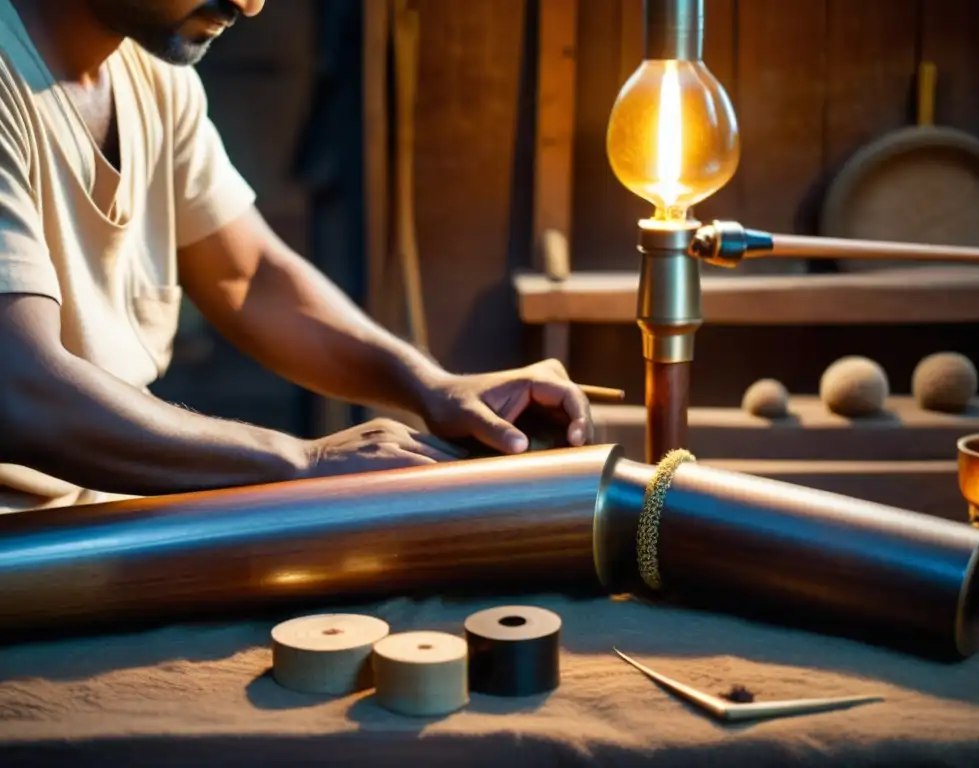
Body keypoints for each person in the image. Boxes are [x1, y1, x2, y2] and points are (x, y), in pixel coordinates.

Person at [0, 0, 593, 513]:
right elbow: (21, 389)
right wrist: (304, 461)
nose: (251, 6)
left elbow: (249, 276)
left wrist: (432, 387)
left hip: (105, 523)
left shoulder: (150, 76)